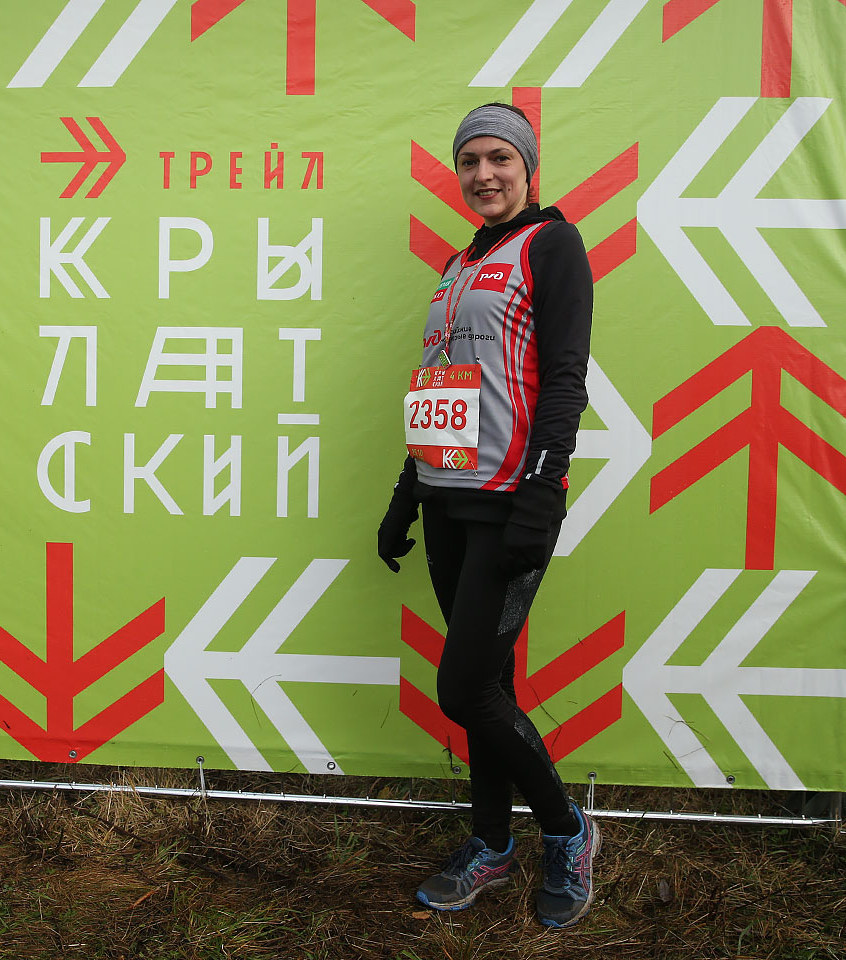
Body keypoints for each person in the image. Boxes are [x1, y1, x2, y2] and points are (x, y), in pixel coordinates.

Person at [377, 103, 599, 928]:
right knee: (488, 688)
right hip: (445, 498)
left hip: (510, 503)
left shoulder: (552, 245)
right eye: (469, 161)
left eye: (499, 157)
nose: (483, 174)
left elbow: (566, 377)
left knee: (464, 688)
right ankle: (493, 844)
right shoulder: (458, 263)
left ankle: (568, 830)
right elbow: (440, 389)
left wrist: (543, 494)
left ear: (528, 167)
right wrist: (405, 497)